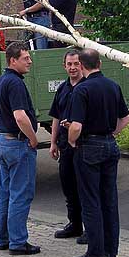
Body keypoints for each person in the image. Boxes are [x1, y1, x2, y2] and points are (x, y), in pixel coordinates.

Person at [66, 48, 129, 257]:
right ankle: (111, 250)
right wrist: (111, 134)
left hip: (89, 147)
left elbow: (76, 126)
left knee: (90, 200)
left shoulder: (81, 90)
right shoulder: (113, 86)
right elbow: (126, 118)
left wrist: (72, 140)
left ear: (82, 66)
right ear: (100, 64)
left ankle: (94, 253)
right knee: (109, 199)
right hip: (110, 145)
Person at [0, 41, 40, 255]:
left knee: (6, 194)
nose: (30, 61)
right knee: (21, 194)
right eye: (25, 58)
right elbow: (20, 116)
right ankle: (18, 242)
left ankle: (4, 238)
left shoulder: (1, 80)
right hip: (17, 143)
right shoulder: (16, 84)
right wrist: (32, 138)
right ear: (13, 60)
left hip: (2, 141)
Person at [49, 49, 86, 242]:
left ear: (82, 65)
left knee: (85, 188)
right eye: (69, 64)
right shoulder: (62, 88)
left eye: (76, 64)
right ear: (64, 66)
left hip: (84, 146)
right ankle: (74, 224)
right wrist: (53, 142)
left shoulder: (87, 87)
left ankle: (90, 227)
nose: (72, 68)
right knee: (69, 186)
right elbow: (56, 115)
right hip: (65, 146)